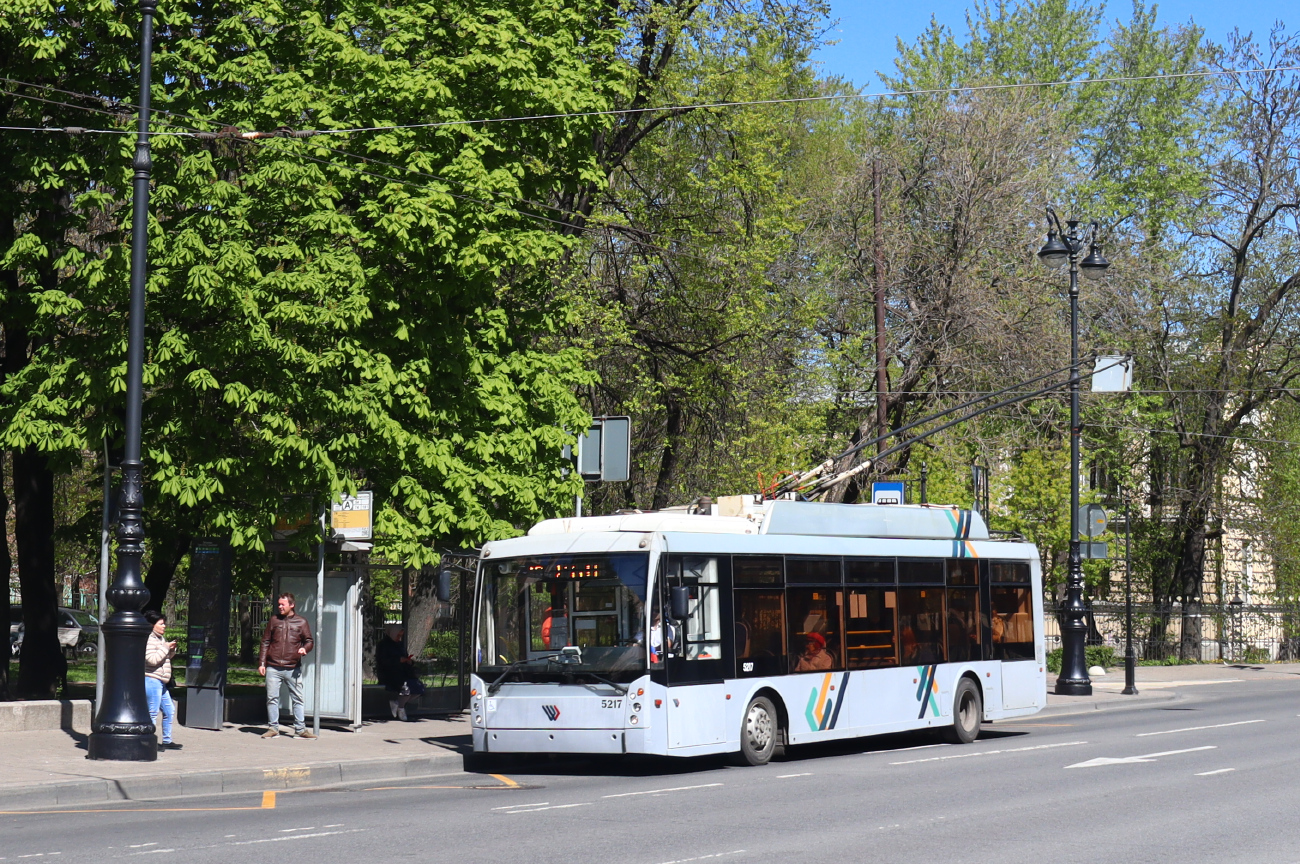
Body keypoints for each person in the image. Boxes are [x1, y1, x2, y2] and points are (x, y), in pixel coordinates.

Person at [258, 592, 316, 739]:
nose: (280, 607)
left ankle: (300, 729)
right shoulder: (274, 621)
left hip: (293, 667)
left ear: (292, 605)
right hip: (273, 666)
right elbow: (265, 642)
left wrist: (305, 649)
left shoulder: (301, 622)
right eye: (278, 604)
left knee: (297, 698)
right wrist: (262, 663)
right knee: (272, 698)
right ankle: (273, 728)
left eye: (282, 604)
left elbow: (309, 641)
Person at [144, 611, 180, 750]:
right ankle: (150, 742)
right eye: (161, 623)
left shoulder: (160, 639)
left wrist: (170, 650)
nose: (164, 626)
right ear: (152, 625)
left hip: (161, 681)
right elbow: (152, 660)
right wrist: (165, 648)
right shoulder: (149, 639)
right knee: (152, 712)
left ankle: (167, 740)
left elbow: (165, 658)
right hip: (152, 679)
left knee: (169, 710)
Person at [376, 624, 421, 721]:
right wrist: (398, 660)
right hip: (389, 673)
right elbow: (382, 661)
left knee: (418, 689)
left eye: (400, 636)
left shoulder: (400, 645)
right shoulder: (383, 645)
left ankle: (398, 703)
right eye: (397, 635)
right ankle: (401, 708)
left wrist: (409, 661)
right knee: (406, 689)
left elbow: (405, 656)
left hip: (404, 672)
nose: (399, 638)